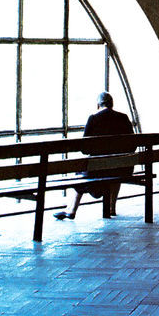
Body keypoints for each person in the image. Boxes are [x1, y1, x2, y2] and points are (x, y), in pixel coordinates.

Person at [54, 91, 133, 220]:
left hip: (99, 170)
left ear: (98, 105)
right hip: (123, 169)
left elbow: (84, 148)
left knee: (80, 174)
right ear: (112, 104)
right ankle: (111, 207)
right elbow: (132, 144)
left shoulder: (94, 118)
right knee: (115, 168)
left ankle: (71, 209)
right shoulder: (123, 118)